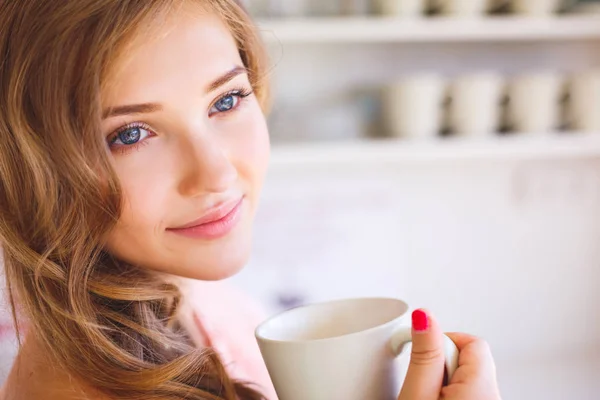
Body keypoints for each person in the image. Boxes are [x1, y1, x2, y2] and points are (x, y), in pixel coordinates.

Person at [0, 1, 502, 399]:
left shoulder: (198, 300)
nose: (216, 173)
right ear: (34, 169)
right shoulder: (75, 388)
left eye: (226, 100)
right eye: (131, 134)